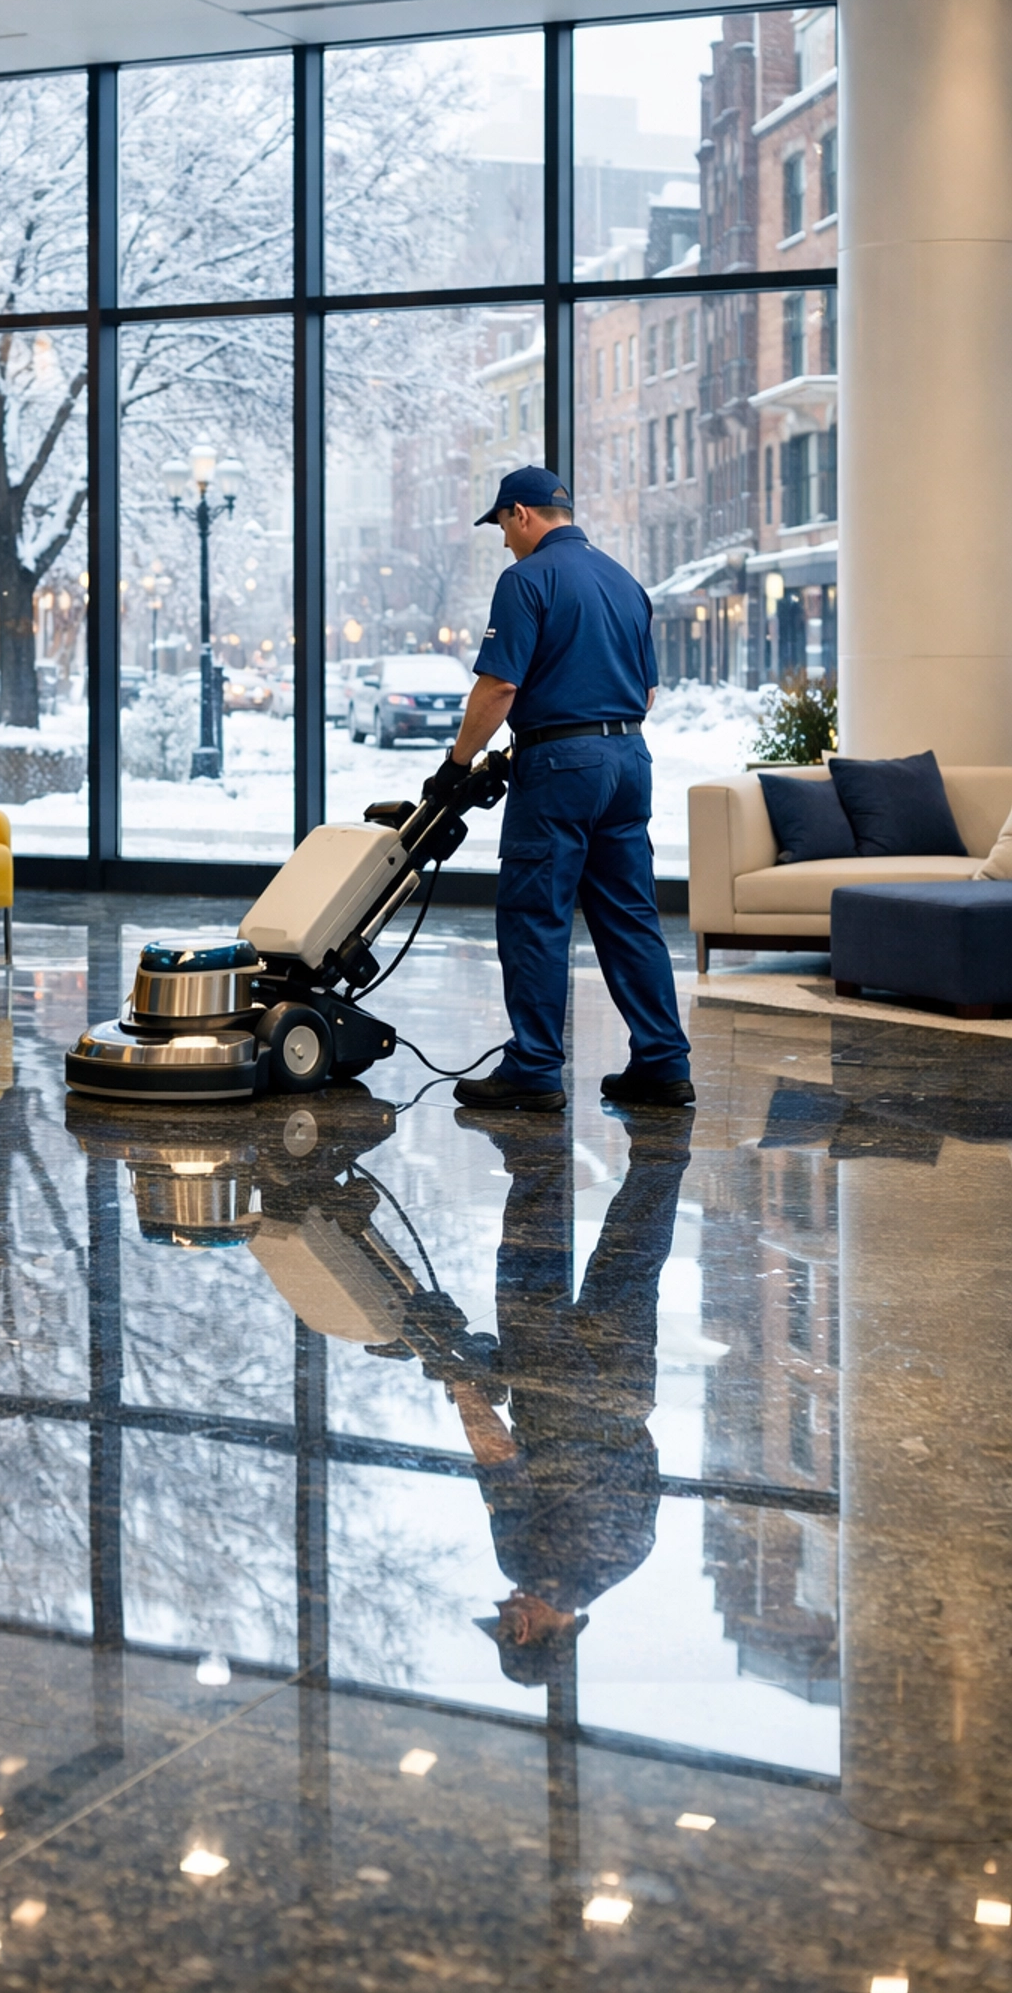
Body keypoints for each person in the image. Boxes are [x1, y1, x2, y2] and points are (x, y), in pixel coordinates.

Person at [422, 464, 693, 1111]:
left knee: (536, 915)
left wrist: (457, 765)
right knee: (630, 916)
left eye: (502, 526)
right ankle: (662, 1061)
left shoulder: (526, 579)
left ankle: (534, 1067)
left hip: (560, 766)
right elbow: (649, 690)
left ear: (521, 514)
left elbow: (499, 686)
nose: (503, 540)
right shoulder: (625, 582)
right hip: (629, 760)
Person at [451, 1108, 692, 1687]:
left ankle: (663, 1137)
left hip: (628, 1397)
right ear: (526, 1630)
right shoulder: (526, 1565)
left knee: (630, 1263)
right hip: (555, 1402)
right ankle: (535, 1144)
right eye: (506, 1619)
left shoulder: (629, 1560)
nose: (505, 1603)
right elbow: (501, 1463)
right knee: (529, 1273)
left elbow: (645, 1467)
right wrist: (463, 1387)